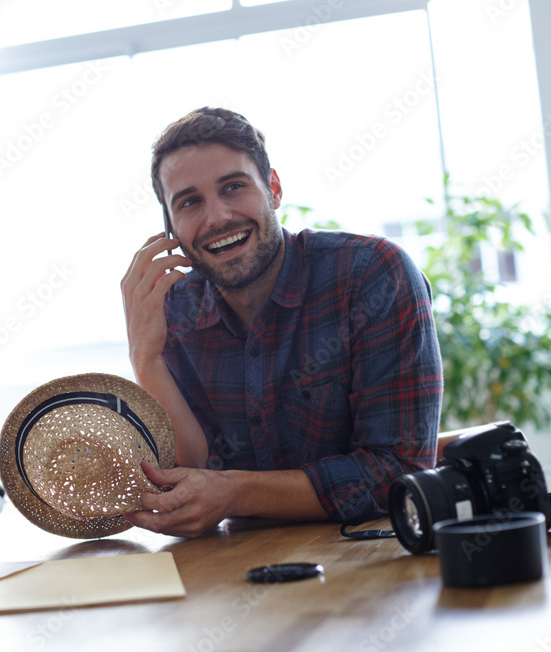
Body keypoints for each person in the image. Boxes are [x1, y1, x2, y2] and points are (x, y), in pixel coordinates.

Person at [120, 107, 443, 538]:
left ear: (272, 189)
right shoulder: (176, 309)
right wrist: (145, 356)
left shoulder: (372, 274)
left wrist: (234, 493)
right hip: (236, 563)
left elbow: (397, 470)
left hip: (371, 558)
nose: (216, 218)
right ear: (170, 228)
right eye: (190, 202)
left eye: (233, 187)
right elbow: (189, 477)